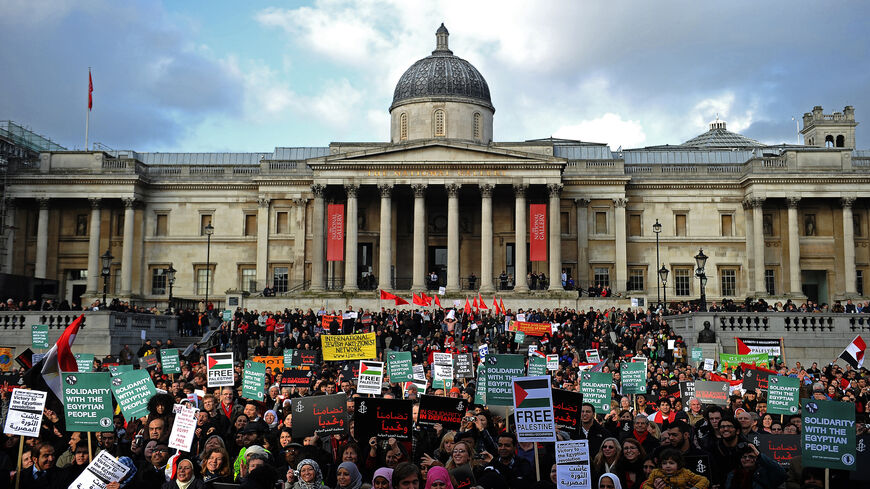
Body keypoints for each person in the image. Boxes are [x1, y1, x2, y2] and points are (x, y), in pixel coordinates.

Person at [640, 449, 709, 489]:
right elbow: (646, 485)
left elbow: (704, 480)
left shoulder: (685, 473)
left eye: (671, 463)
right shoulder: (656, 472)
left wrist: (695, 488)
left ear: (678, 464)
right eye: (664, 463)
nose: (667, 466)